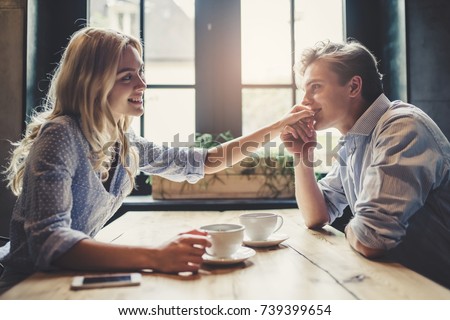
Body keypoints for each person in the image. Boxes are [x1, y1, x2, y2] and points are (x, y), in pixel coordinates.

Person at [0, 27, 315, 293]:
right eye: (127, 77)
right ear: (92, 83)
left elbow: (202, 161)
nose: (142, 84)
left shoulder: (123, 141)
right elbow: (50, 243)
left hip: (67, 283)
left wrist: (276, 127)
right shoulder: (61, 135)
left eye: (140, 72)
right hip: (28, 290)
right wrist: (157, 256)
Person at [281, 39, 450, 288]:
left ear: (353, 86)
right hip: (398, 285)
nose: (304, 101)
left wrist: (361, 227)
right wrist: (302, 155)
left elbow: (371, 238)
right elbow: (317, 215)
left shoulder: (402, 127)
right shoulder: (355, 140)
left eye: (315, 87)